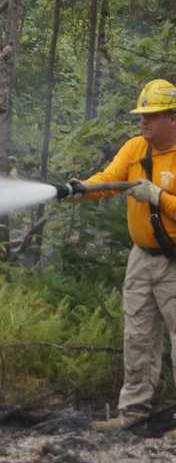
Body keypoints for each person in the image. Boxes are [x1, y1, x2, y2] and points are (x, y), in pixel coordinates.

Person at [56, 79, 176, 430]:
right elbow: (108, 179)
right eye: (142, 115)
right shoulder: (135, 148)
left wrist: (157, 197)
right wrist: (81, 190)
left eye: (151, 116)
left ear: (172, 117)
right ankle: (133, 415)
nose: (143, 122)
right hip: (141, 258)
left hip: (174, 261)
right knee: (137, 336)